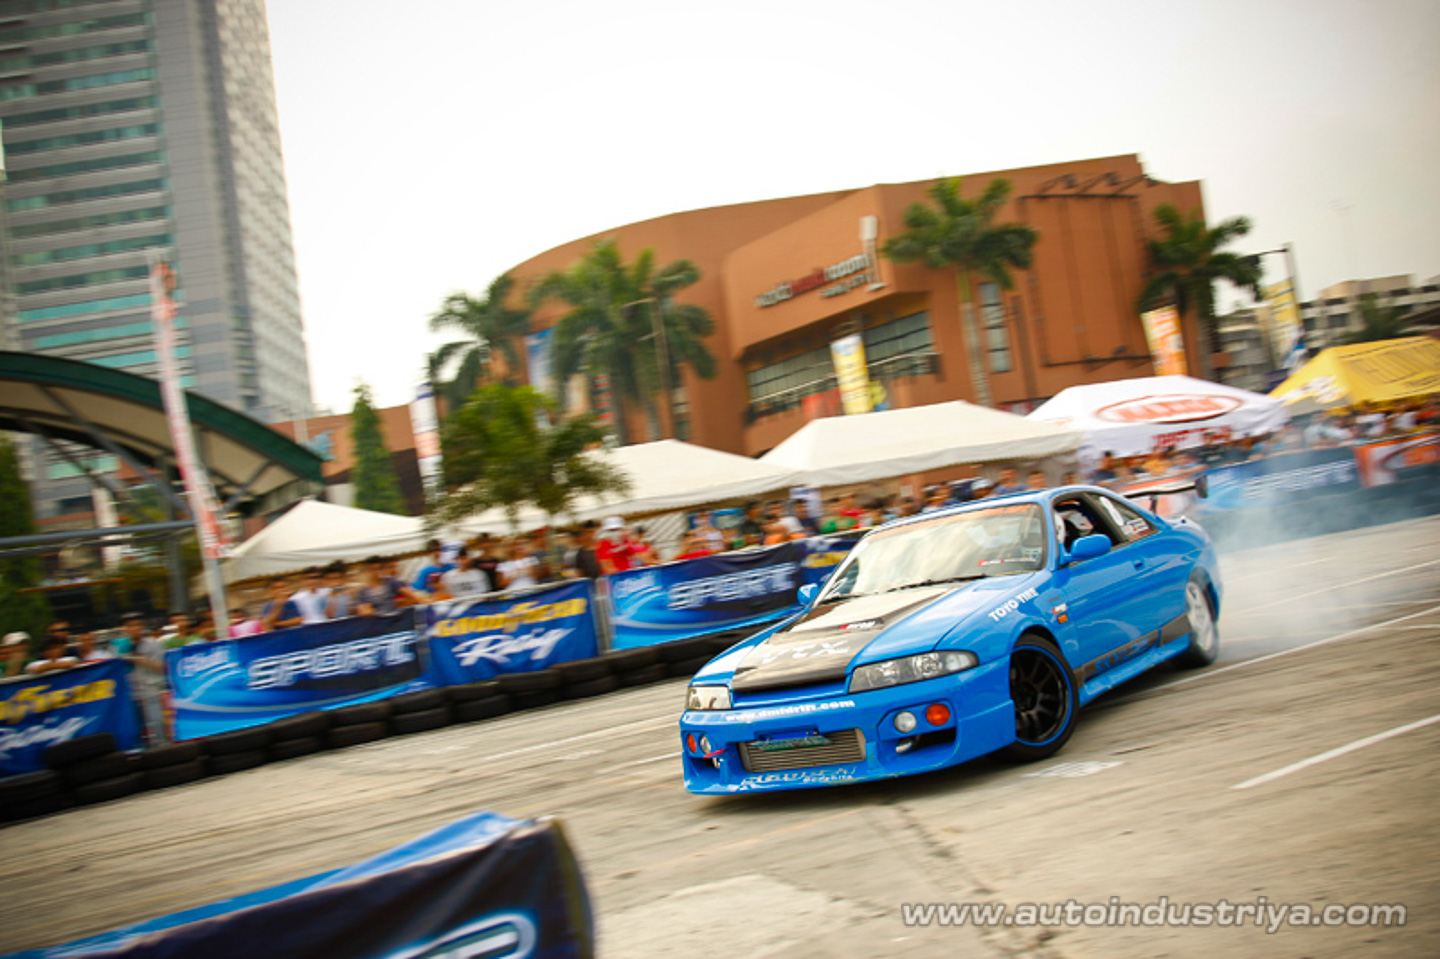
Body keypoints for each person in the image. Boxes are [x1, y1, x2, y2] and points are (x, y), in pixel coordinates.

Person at [120, 612, 170, 746]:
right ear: (125, 628)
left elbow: (163, 667)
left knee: (157, 727)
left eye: (137, 625)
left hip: (152, 692)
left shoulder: (153, 644)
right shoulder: (120, 647)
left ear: (142, 627)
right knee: (137, 732)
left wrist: (141, 660)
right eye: (130, 626)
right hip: (131, 695)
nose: (134, 628)